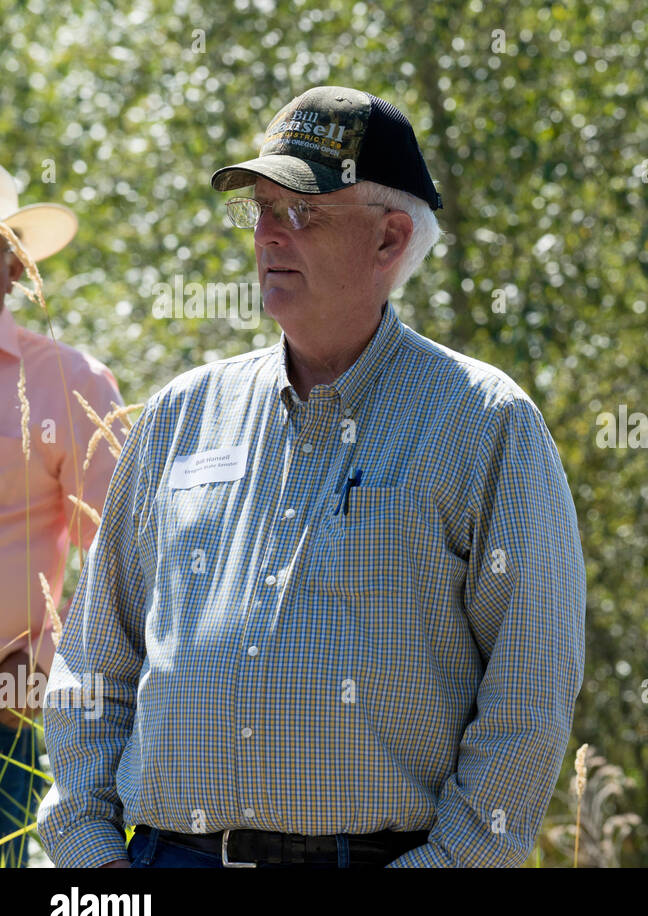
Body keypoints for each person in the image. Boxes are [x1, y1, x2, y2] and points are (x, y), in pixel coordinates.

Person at [37, 86, 585, 868]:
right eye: (259, 208)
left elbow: (529, 700)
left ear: (391, 239)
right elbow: (95, 662)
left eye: (301, 211)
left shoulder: (485, 424)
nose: (266, 235)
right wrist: (95, 857)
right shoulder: (181, 414)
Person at [0, 163, 124, 866]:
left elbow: (130, 554)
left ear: (13, 267)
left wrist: (42, 662)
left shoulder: (68, 382)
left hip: (4, 712)